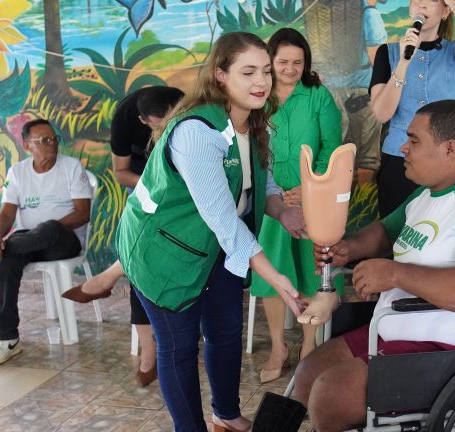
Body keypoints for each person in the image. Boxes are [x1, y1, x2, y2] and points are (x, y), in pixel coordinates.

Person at [293, 100, 455, 431]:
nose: (403, 147)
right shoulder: (425, 196)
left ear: (449, 149)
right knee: (307, 376)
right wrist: (348, 249)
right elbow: (385, 232)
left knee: (332, 396)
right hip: (396, 329)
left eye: (414, 140)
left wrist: (395, 273)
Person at [114, 32, 306, 432]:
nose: (262, 81)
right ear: (220, 75)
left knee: (224, 330)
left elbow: (261, 181)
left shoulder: (252, 121)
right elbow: (224, 220)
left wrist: (283, 213)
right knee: (179, 346)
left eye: (266, 71)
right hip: (163, 251)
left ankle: (227, 414)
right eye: (248, 71)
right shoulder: (196, 133)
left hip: (214, 247)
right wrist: (277, 279)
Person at [62, 86, 184, 387]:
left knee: (143, 251)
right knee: (143, 252)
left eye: (170, 122)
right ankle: (149, 346)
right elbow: (120, 172)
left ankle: (107, 278)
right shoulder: (125, 119)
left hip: (186, 188)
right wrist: (155, 185)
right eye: (159, 126)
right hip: (146, 183)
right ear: (144, 121)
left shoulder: (188, 110)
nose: (165, 130)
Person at [0, 119, 93, 366]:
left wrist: (49, 229)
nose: (51, 144)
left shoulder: (71, 167)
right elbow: (6, 213)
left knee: (50, 227)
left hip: (64, 242)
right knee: (7, 261)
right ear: (27, 145)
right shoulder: (18, 172)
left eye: (53, 138)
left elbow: (82, 213)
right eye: (43, 140)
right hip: (27, 243)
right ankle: (7, 338)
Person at [249, 28, 343, 384]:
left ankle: (309, 344)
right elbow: (252, 146)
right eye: (283, 62)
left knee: (309, 269)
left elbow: (331, 146)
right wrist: (276, 194)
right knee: (271, 271)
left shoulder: (318, 96)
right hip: (269, 200)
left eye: (297, 62)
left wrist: (307, 189)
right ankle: (277, 346)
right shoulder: (259, 95)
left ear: (307, 64)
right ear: (270, 62)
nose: (290, 69)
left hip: (313, 198)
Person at [370, 0, 455, 217]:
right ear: (409, 8)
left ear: (445, 11)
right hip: (399, 161)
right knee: (394, 238)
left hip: (446, 163)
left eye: (433, 0)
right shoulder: (387, 53)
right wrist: (403, 63)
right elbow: (381, 113)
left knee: (441, 236)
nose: (422, 5)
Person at [322, 0, 389, 185]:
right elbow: (378, 52)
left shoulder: (335, 13)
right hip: (361, 88)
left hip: (334, 87)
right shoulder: (369, 13)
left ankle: (343, 197)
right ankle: (361, 200)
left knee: (338, 147)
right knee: (366, 152)